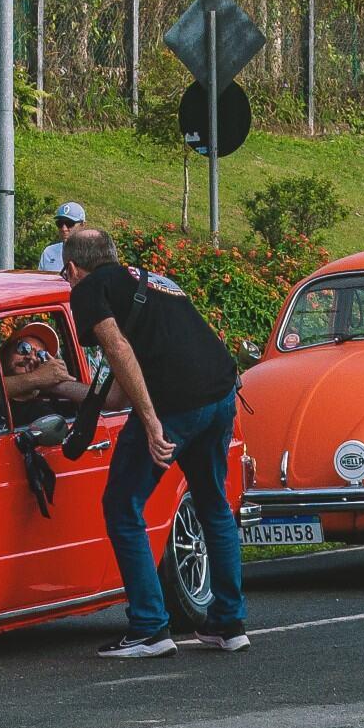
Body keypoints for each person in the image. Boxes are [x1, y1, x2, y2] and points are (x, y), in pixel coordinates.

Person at [61, 227, 247, 658]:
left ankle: (149, 627)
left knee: (122, 505)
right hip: (221, 393)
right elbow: (121, 387)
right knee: (212, 502)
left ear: (72, 268)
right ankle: (228, 622)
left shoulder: (88, 289)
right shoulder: (150, 279)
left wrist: (150, 423)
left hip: (176, 404)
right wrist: (64, 384)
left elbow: (119, 352)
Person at [36, 201, 87, 274]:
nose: (64, 229)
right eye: (59, 224)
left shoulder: (93, 253)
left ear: (82, 225)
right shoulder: (49, 252)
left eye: (69, 223)